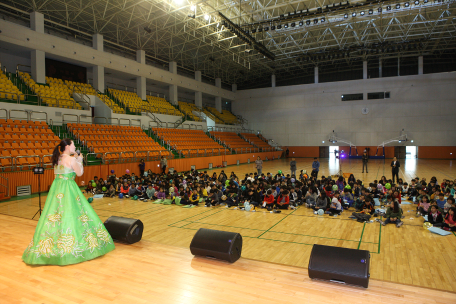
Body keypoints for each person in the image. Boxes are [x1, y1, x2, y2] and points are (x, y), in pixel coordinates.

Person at [22, 139, 115, 265]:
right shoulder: (71, 159)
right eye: (73, 145)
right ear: (67, 146)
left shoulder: (57, 159)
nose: (75, 146)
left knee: (56, 214)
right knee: (74, 213)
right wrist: (80, 159)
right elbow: (80, 173)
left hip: (57, 190)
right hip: (69, 189)